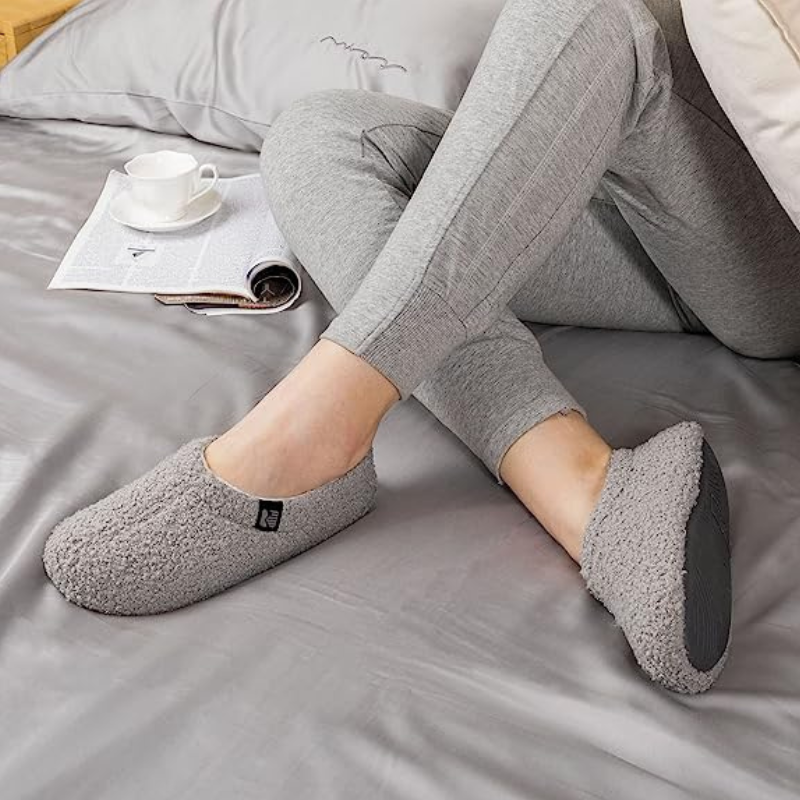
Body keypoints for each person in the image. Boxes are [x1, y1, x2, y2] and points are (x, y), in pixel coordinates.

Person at [43, 0, 800, 694]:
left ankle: (317, 426)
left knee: (589, 7)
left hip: (765, 251)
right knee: (319, 133)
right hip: (650, 202)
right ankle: (581, 486)